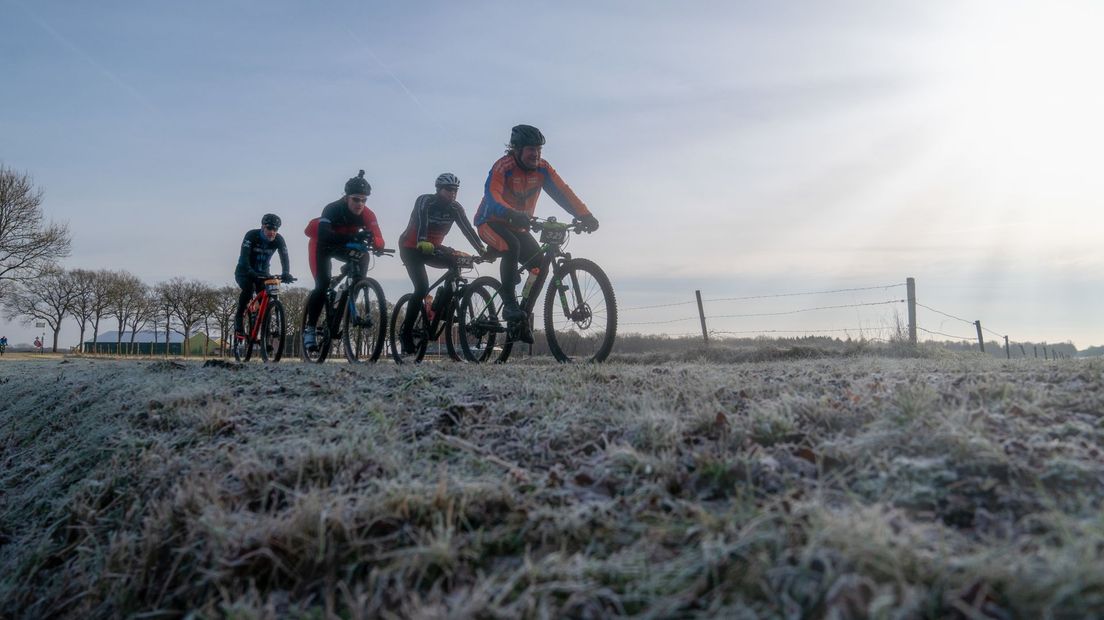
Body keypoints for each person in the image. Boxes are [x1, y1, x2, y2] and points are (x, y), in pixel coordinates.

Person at [473, 124, 599, 342]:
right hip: (490, 221)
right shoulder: (503, 166)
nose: (536, 154)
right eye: (531, 149)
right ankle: (510, 306)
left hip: (518, 225)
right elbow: (492, 197)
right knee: (512, 246)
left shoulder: (543, 169)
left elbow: (563, 192)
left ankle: (522, 315)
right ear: (517, 148)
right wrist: (511, 213)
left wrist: (585, 215)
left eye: (539, 149)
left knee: (539, 263)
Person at [397, 173, 486, 353]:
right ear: (438, 190)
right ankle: (406, 333)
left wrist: (482, 250)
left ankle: (442, 307)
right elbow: (422, 220)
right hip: (411, 247)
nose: (452, 194)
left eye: (455, 191)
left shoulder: (455, 208)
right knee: (421, 288)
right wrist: (422, 240)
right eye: (448, 190)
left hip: (434, 247)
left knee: (455, 264)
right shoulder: (425, 201)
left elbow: (468, 230)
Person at [302, 170, 385, 352]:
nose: (360, 204)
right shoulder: (332, 208)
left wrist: (375, 242)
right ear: (346, 197)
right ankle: (310, 329)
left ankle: (348, 303)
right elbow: (323, 235)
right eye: (356, 199)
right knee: (322, 285)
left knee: (364, 256)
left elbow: (379, 239)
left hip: (345, 246)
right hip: (322, 246)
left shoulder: (368, 214)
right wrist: (354, 237)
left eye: (364, 200)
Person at [233, 214, 294, 354]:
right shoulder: (251, 235)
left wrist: (286, 273)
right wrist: (250, 272)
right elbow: (244, 257)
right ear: (262, 227)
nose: (272, 232)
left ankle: (263, 338)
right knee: (248, 289)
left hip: (263, 274)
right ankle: (238, 319)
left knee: (266, 304)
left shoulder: (278, 239)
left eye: (275, 229)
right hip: (244, 272)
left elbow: (285, 257)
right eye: (269, 228)